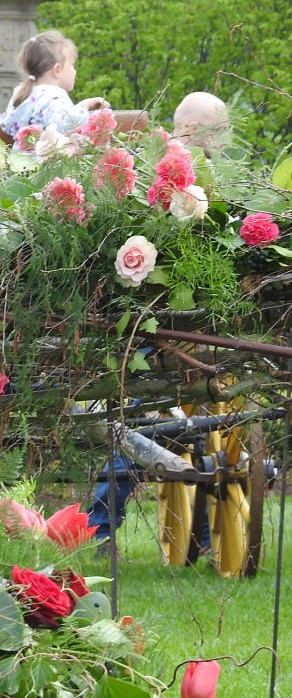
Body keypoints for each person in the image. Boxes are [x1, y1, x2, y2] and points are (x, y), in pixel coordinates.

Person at [87, 94, 234, 555]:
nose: (224, 142)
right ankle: (101, 528)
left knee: (186, 427)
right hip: (152, 328)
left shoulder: (203, 177)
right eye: (219, 131)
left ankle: (202, 536)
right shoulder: (157, 171)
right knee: (141, 424)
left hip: (188, 328)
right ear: (192, 130)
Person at [0, 31, 107, 140]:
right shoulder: (53, 95)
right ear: (57, 70)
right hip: (43, 156)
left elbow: (7, 125)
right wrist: (85, 105)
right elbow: (65, 125)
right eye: (72, 65)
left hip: (19, 157)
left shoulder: (25, 92)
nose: (74, 71)